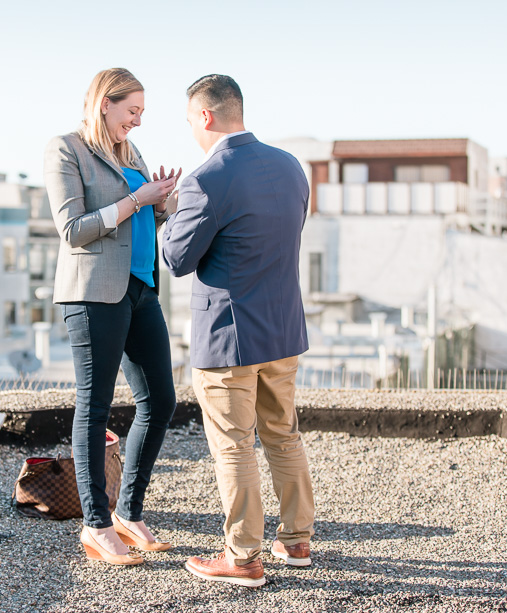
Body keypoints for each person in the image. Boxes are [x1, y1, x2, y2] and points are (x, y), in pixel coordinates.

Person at [161, 74, 315, 587]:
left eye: (190, 121)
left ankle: (244, 556)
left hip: (229, 336)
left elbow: (177, 258)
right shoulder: (290, 166)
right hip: (283, 329)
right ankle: (296, 540)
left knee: (233, 445)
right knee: (283, 434)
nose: (192, 132)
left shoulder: (206, 178)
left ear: (205, 116)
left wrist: (169, 214)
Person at [44, 68, 181, 566]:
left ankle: (128, 512)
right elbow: (74, 229)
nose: (138, 122)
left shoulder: (132, 154)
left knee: (161, 399)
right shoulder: (66, 149)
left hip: (142, 288)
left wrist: (160, 203)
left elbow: (141, 217)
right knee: (94, 405)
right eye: (132, 112)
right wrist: (136, 200)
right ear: (106, 102)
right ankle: (96, 525)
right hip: (94, 295)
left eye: (142, 114)